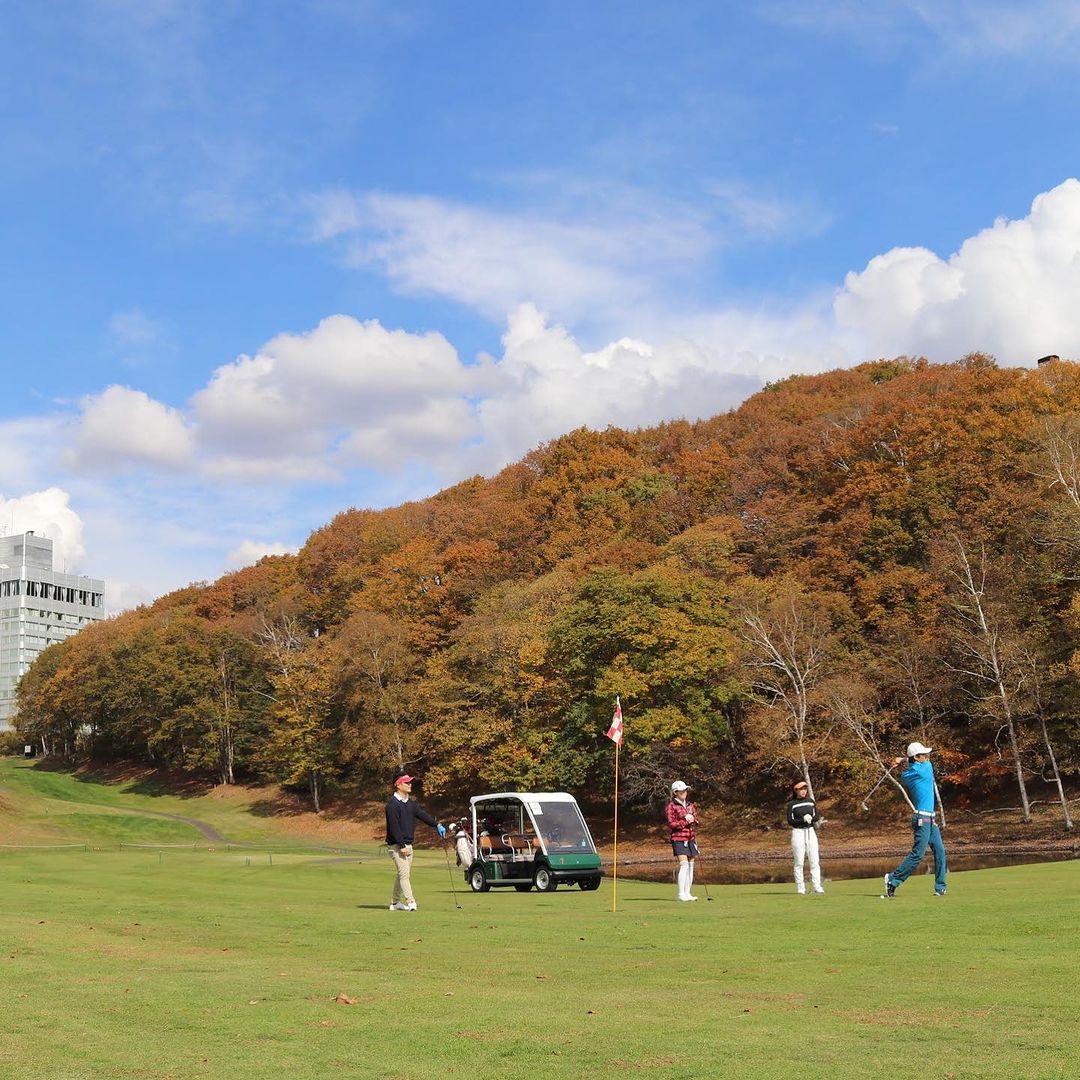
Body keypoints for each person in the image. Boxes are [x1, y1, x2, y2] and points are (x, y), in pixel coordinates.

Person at [883, 742, 947, 899]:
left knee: (940, 851)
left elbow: (911, 762)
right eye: (923, 755)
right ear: (917, 758)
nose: (927, 757)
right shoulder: (925, 769)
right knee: (918, 853)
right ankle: (893, 879)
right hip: (922, 818)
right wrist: (903, 759)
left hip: (929, 818)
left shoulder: (909, 773)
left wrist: (901, 760)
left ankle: (940, 887)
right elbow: (922, 762)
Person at [384, 774, 447, 911]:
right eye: (406, 782)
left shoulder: (410, 803)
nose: (410, 784)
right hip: (397, 845)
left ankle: (395, 903)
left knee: (403, 874)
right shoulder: (392, 805)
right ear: (398, 784)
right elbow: (394, 827)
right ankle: (411, 902)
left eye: (410, 782)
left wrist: (437, 825)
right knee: (404, 875)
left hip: (408, 845)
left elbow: (422, 815)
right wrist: (401, 846)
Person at [786, 779, 824, 894]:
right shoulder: (792, 804)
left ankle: (817, 886)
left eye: (805, 789)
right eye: (801, 789)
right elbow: (790, 821)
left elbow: (816, 816)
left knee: (814, 861)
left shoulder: (810, 801)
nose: (803, 791)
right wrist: (802, 819)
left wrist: (811, 818)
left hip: (810, 831)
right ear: (796, 790)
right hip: (798, 832)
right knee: (799, 862)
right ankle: (800, 888)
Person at [666, 780, 700, 902]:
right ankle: (681, 894)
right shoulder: (671, 806)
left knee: (691, 865)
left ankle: (688, 893)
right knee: (684, 864)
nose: (684, 793)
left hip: (691, 838)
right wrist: (685, 821)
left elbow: (697, 820)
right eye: (682, 791)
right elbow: (672, 824)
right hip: (678, 838)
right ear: (675, 792)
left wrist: (693, 819)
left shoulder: (690, 805)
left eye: (685, 790)